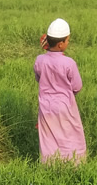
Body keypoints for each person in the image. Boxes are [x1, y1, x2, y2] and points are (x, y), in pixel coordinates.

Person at [34, 17, 86, 163]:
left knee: (49, 137)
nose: (68, 43)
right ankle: (73, 164)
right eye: (68, 40)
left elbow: (39, 78)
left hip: (46, 107)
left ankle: (50, 166)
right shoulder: (69, 63)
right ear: (61, 44)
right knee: (70, 135)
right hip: (65, 106)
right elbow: (77, 86)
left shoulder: (39, 60)